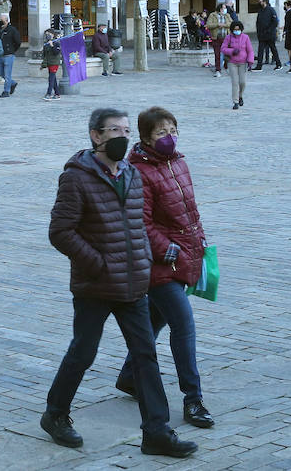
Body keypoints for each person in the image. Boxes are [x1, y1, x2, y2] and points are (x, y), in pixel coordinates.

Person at [40, 107, 197, 458]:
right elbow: (60, 232)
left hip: (133, 283)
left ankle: (156, 432)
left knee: (145, 356)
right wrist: (97, 263)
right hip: (95, 285)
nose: (122, 137)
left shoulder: (130, 173)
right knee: (84, 352)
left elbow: (140, 225)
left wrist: (142, 261)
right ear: (96, 136)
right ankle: (55, 414)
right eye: (114, 130)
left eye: (126, 130)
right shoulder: (77, 177)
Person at [114, 107, 214, 429]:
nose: (168, 137)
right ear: (145, 138)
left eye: (172, 130)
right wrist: (166, 250)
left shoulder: (178, 162)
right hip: (159, 263)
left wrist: (199, 244)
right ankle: (192, 399)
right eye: (161, 133)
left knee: (157, 319)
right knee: (183, 324)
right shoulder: (137, 172)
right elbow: (138, 222)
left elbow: (189, 211)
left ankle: (130, 376)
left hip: (184, 254)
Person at [218, 21, 253, 109]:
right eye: (235, 29)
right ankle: (235, 101)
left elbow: (250, 50)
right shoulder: (228, 37)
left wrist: (250, 61)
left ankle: (240, 95)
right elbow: (223, 48)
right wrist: (232, 51)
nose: (237, 31)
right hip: (232, 62)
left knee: (243, 82)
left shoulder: (246, 37)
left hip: (243, 62)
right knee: (235, 82)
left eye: (238, 29)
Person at [0, 14, 21, 97]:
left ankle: (6, 91)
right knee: (1, 73)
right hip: (0, 55)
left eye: (2, 20)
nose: (0, 21)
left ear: (6, 20)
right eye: (0, 20)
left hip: (8, 55)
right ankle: (12, 83)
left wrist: (12, 50)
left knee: (7, 74)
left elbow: (17, 42)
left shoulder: (12, 30)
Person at [253, 0, 281, 70]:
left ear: (264, 2)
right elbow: (258, 22)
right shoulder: (260, 10)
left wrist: (269, 30)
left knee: (273, 49)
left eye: (261, 1)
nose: (259, 3)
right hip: (262, 35)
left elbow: (275, 22)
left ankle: (278, 64)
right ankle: (259, 66)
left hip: (270, 34)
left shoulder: (271, 10)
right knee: (260, 50)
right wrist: (258, 31)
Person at [40, 29, 63, 100]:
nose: (47, 36)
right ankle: (57, 94)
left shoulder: (56, 42)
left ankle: (48, 94)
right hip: (49, 63)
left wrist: (52, 45)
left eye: (49, 34)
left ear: (53, 34)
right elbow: (45, 55)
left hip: (54, 63)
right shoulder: (46, 43)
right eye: (46, 34)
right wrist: (43, 64)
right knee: (53, 79)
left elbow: (56, 52)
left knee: (51, 79)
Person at [204, 8, 227, 75]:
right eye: (224, 8)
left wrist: (224, 25)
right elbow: (208, 25)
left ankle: (226, 66)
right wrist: (217, 24)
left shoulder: (227, 15)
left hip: (225, 37)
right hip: (216, 37)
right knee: (217, 54)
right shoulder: (212, 15)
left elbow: (231, 23)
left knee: (227, 53)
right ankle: (218, 69)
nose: (225, 9)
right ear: (220, 9)